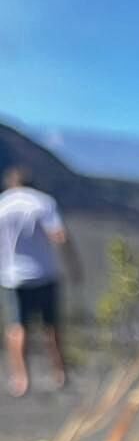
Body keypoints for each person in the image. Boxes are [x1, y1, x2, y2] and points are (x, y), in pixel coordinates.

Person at [0, 167, 80, 396]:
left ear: (10, 183)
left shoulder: (3, 204)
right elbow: (59, 235)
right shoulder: (42, 202)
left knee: (17, 327)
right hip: (44, 273)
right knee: (51, 325)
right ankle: (60, 373)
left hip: (13, 276)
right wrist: (73, 265)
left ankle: (21, 379)